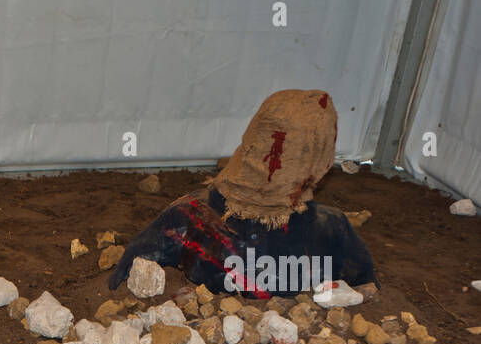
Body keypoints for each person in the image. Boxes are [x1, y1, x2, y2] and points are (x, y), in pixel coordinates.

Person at [107, 89, 378, 298]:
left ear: (252, 139)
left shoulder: (188, 217)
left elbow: (125, 274)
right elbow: (366, 288)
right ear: (321, 163)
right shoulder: (332, 231)